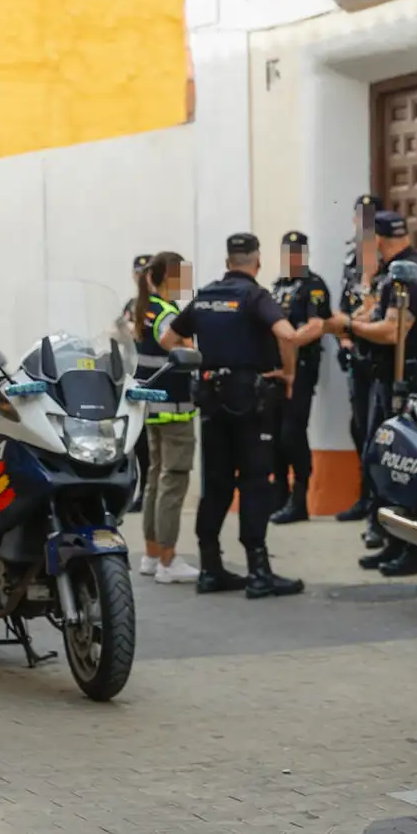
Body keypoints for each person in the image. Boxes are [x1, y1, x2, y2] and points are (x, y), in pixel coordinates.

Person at [160, 233, 323, 598]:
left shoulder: (204, 296)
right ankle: (258, 572)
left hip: (211, 401)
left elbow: (168, 339)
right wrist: (288, 373)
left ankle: (210, 569)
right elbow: (287, 335)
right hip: (249, 402)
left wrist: (203, 359)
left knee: (216, 482)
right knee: (254, 481)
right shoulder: (254, 296)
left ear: (227, 261)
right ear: (257, 262)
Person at [326, 209, 417, 578]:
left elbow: (394, 331)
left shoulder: (411, 274)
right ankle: (394, 539)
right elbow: (374, 315)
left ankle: (413, 549)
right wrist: (354, 321)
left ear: (376, 239)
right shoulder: (392, 273)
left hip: (408, 381)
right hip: (384, 379)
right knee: (387, 459)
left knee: (407, 462)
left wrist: (347, 324)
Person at [131, 251, 202, 584]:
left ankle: (151, 554)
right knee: (173, 480)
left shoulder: (144, 309)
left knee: (155, 480)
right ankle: (168, 560)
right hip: (173, 408)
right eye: (182, 276)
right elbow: (177, 346)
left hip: (152, 408)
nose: (186, 282)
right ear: (168, 278)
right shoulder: (167, 313)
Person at [269, 230, 333, 525]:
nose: (292, 258)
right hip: (276, 371)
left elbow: (317, 325)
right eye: (288, 252)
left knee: (292, 433)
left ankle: (299, 500)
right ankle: (279, 495)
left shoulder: (314, 286)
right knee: (274, 435)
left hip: (302, 371)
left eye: (297, 253)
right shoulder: (277, 286)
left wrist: (290, 339)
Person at [335, 195, 382, 529]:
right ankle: (365, 496)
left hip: (379, 356)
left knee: (377, 430)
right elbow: (342, 307)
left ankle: (379, 502)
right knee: (359, 428)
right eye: (360, 218)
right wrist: (344, 339)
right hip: (356, 355)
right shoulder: (351, 260)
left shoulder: (384, 261)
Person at [119, 253, 155, 514]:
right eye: (138, 273)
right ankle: (140, 491)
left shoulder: (158, 304)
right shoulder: (132, 304)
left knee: (155, 445)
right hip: (134, 377)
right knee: (137, 441)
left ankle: (148, 492)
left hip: (156, 381)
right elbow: (116, 330)